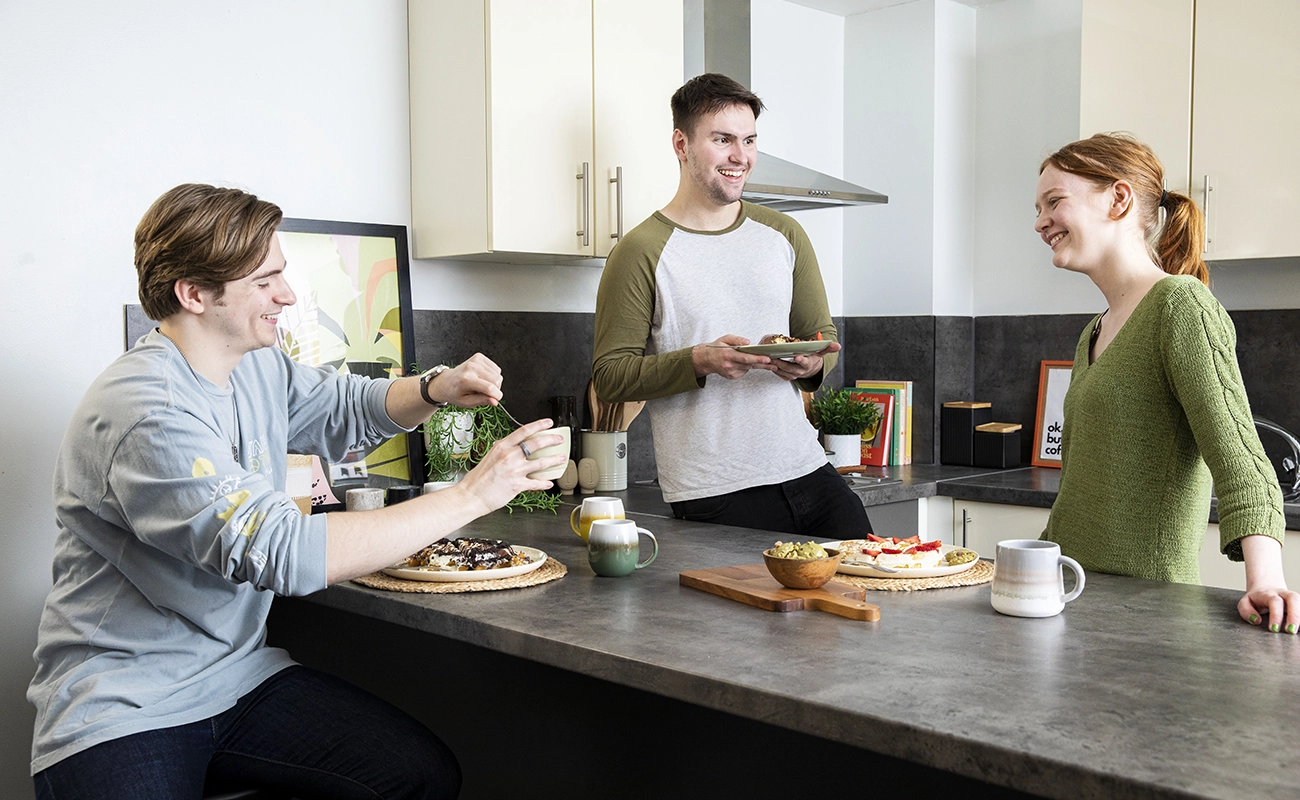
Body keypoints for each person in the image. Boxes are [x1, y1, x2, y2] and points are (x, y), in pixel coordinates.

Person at [28, 183, 565, 799]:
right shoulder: (145, 410)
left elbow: (340, 404)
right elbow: (280, 550)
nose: (286, 295)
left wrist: (437, 387)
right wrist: (472, 496)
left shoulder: (253, 364)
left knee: (417, 776)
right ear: (195, 294)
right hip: (123, 701)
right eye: (264, 281)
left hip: (234, 677)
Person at [1033, 133, 1298, 632]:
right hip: (1072, 599)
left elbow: (1241, 457)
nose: (1040, 221)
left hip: (1148, 617)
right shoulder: (1094, 330)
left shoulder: (1180, 306)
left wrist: (1266, 581)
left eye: (1055, 201)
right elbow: (1082, 490)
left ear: (1118, 198)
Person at [592, 73, 872, 537]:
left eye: (749, 140)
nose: (740, 156)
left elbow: (823, 337)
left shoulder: (784, 235)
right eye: (722, 140)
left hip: (808, 469)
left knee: (874, 591)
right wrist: (699, 360)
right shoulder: (641, 250)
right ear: (681, 144)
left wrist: (806, 364)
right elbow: (610, 376)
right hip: (714, 492)